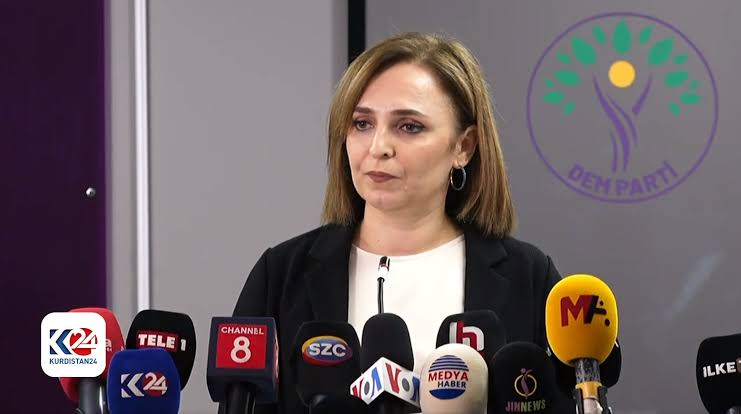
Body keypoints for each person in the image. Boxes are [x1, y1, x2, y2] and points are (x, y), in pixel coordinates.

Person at [232, 32, 562, 413]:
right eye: (362, 123)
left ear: (464, 146)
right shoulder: (281, 274)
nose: (378, 147)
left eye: (409, 126)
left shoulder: (529, 277)